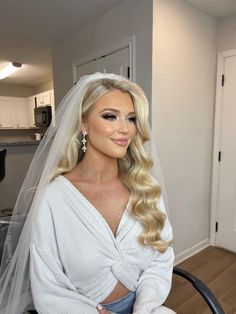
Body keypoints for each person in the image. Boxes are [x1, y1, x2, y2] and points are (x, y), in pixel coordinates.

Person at [0, 73, 175, 314]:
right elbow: (47, 286)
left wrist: (143, 307)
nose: (125, 129)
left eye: (131, 118)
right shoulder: (53, 200)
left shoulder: (144, 188)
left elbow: (161, 256)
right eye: (110, 116)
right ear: (83, 124)